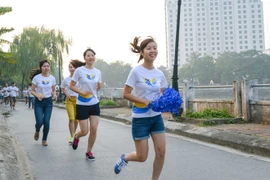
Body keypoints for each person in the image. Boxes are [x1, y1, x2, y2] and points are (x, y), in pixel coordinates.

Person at [114, 36, 168, 180]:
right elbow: (125, 93)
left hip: (156, 118)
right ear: (142, 52)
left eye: (155, 48)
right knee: (142, 156)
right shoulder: (136, 71)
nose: (153, 51)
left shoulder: (159, 74)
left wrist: (166, 103)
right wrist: (143, 101)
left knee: (161, 152)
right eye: (149, 48)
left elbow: (163, 93)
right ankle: (125, 158)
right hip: (141, 119)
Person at [70, 48, 102, 161]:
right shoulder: (79, 70)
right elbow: (72, 86)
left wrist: (99, 86)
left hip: (94, 102)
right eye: (88, 55)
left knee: (94, 129)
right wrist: (81, 92)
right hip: (82, 104)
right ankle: (77, 136)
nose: (91, 57)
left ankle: (88, 151)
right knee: (84, 131)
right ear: (85, 58)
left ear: (95, 57)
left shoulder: (98, 72)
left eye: (92, 55)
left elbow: (98, 87)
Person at [30, 60, 57, 146]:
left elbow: (53, 90)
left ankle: (44, 139)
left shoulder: (52, 78)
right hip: (39, 102)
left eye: (47, 66)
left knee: (46, 121)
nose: (46, 68)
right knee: (39, 122)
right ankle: (37, 130)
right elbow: (32, 91)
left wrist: (55, 95)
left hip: (48, 102)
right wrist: (37, 95)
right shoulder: (36, 78)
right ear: (41, 67)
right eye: (44, 66)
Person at [61, 59, 85, 144]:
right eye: (70, 67)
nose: (72, 69)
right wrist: (66, 93)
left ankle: (74, 133)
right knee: (71, 119)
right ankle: (72, 136)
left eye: (73, 67)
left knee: (76, 120)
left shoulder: (80, 79)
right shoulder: (66, 79)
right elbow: (62, 88)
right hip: (69, 100)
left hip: (79, 101)